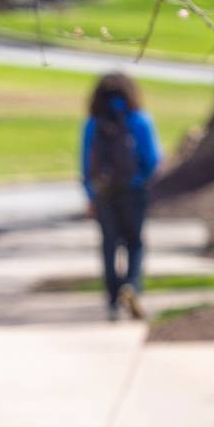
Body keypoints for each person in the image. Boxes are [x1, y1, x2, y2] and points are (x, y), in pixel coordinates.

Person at [81, 73, 161, 322]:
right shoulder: (139, 120)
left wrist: (91, 194)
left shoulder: (93, 123)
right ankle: (131, 285)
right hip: (133, 191)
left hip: (104, 192)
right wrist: (141, 181)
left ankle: (113, 300)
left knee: (109, 244)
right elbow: (152, 159)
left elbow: (85, 163)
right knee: (135, 242)